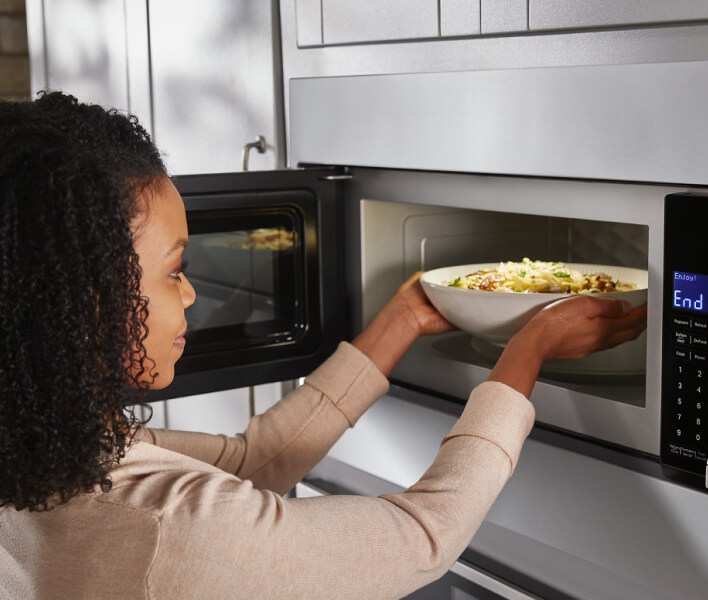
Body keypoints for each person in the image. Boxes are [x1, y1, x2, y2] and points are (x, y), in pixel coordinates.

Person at [0, 92, 647, 600]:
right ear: (76, 300)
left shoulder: (48, 457)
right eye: (173, 270)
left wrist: (400, 323)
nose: (192, 295)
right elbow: (425, 536)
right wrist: (527, 348)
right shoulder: (169, 531)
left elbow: (252, 463)